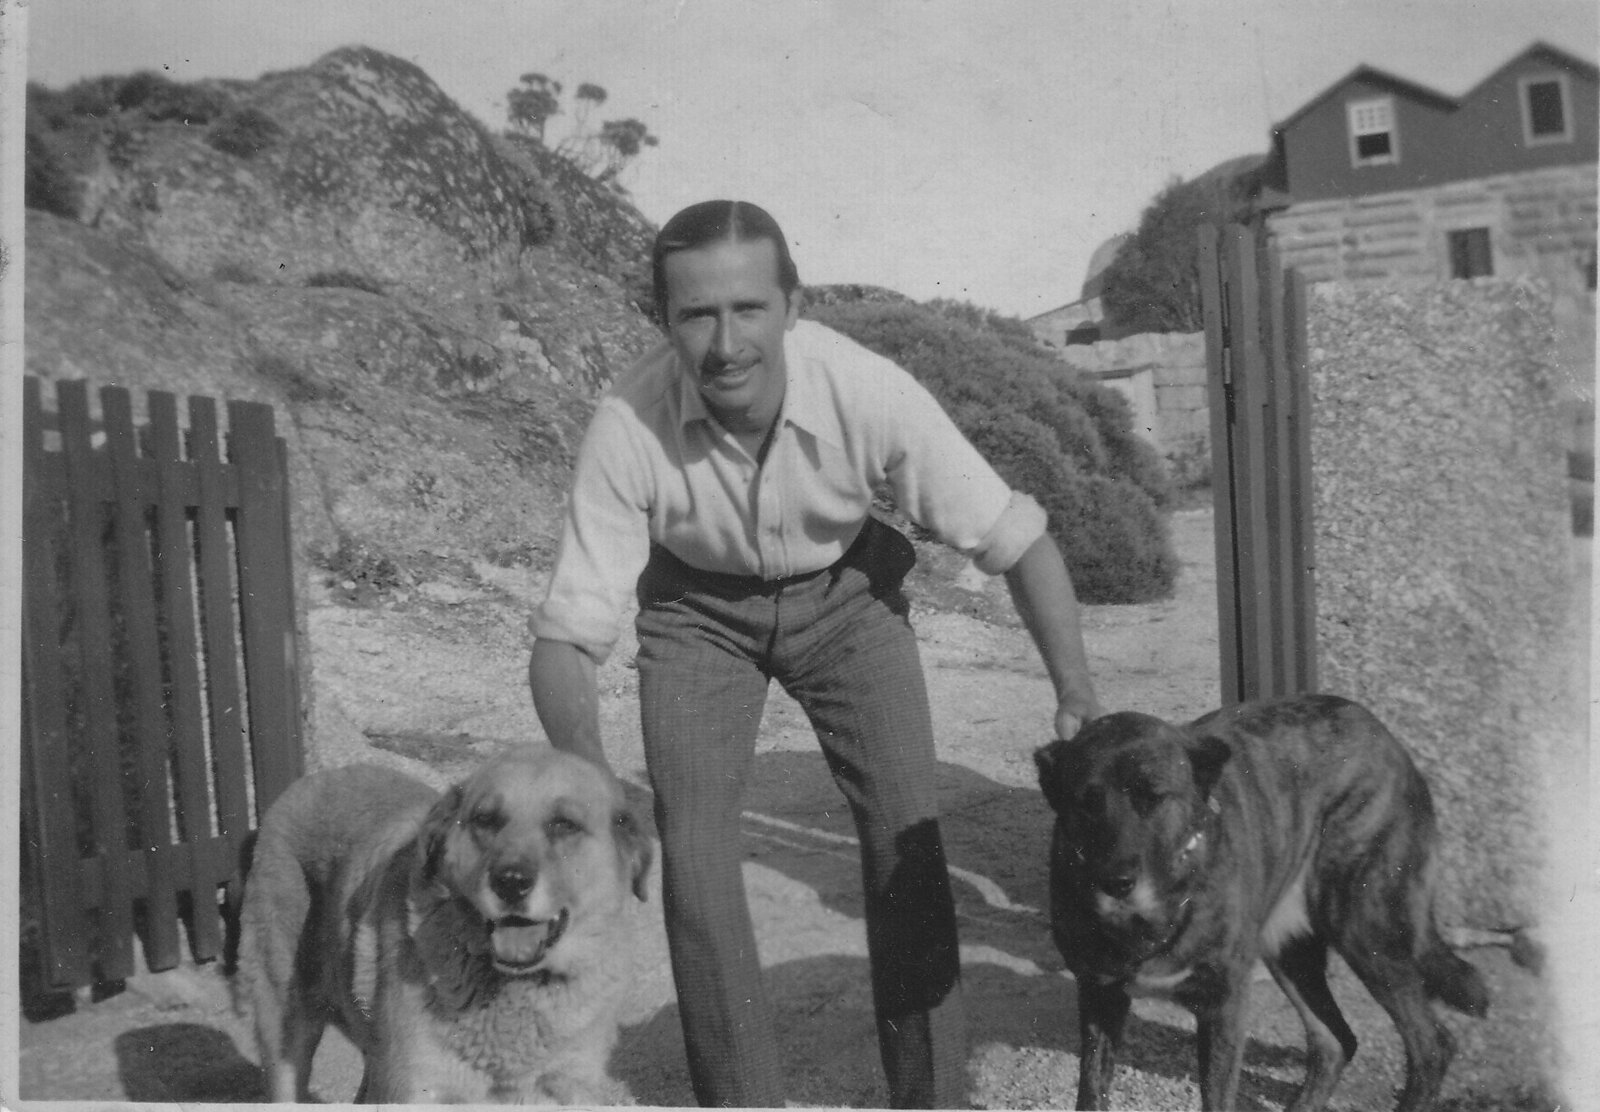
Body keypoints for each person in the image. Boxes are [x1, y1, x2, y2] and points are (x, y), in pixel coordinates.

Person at [527, 199, 1102, 1109]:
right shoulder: (626, 423)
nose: (725, 343)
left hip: (846, 598)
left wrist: (1075, 691)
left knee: (907, 842)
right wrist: (592, 780)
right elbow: (564, 638)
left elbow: (1016, 539)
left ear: (793, 306)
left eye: (748, 308)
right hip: (695, 612)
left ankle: (933, 1102)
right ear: (664, 321)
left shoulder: (865, 389)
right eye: (696, 314)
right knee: (696, 863)